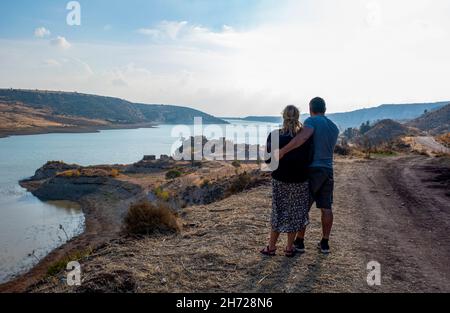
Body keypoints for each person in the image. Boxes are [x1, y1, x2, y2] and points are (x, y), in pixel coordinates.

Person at [278, 97, 339, 254]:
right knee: (326, 207)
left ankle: (300, 241)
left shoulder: (311, 121)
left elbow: (303, 138)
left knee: (303, 205)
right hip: (328, 170)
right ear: (324, 109)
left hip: (313, 169)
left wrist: (283, 151)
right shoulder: (334, 127)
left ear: (311, 108)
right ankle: (325, 243)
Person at [261, 105, 313, 258]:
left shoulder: (274, 135)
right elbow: (310, 158)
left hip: (280, 179)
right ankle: (289, 248)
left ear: (283, 116)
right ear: (298, 117)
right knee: (295, 213)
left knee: (278, 211)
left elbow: (268, 161)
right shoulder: (304, 137)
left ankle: (271, 247)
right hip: (300, 180)